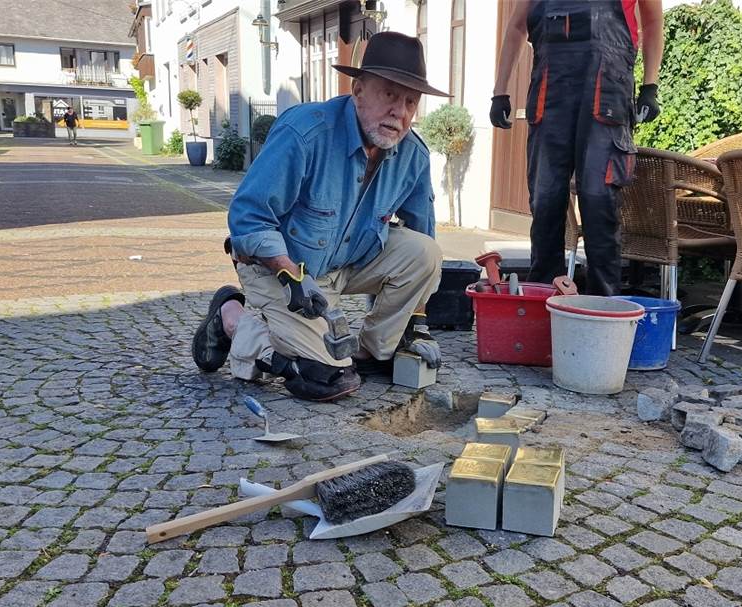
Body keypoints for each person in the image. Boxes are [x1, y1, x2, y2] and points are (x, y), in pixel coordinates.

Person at [192, 32, 449, 402]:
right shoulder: (305, 132)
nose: (401, 112)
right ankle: (232, 317)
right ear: (358, 89)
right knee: (324, 378)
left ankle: (373, 351)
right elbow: (248, 218)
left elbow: (423, 238)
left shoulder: (413, 155)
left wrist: (418, 324)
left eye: (411, 101)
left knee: (426, 252)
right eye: (390, 95)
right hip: (278, 269)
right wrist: (291, 274)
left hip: (348, 263)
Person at [491, 0, 664, 295]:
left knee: (599, 203)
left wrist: (650, 86)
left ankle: (603, 308)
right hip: (550, 98)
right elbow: (518, 25)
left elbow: (652, 22)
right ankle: (541, 302)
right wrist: (500, 91)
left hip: (606, 95)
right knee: (545, 203)